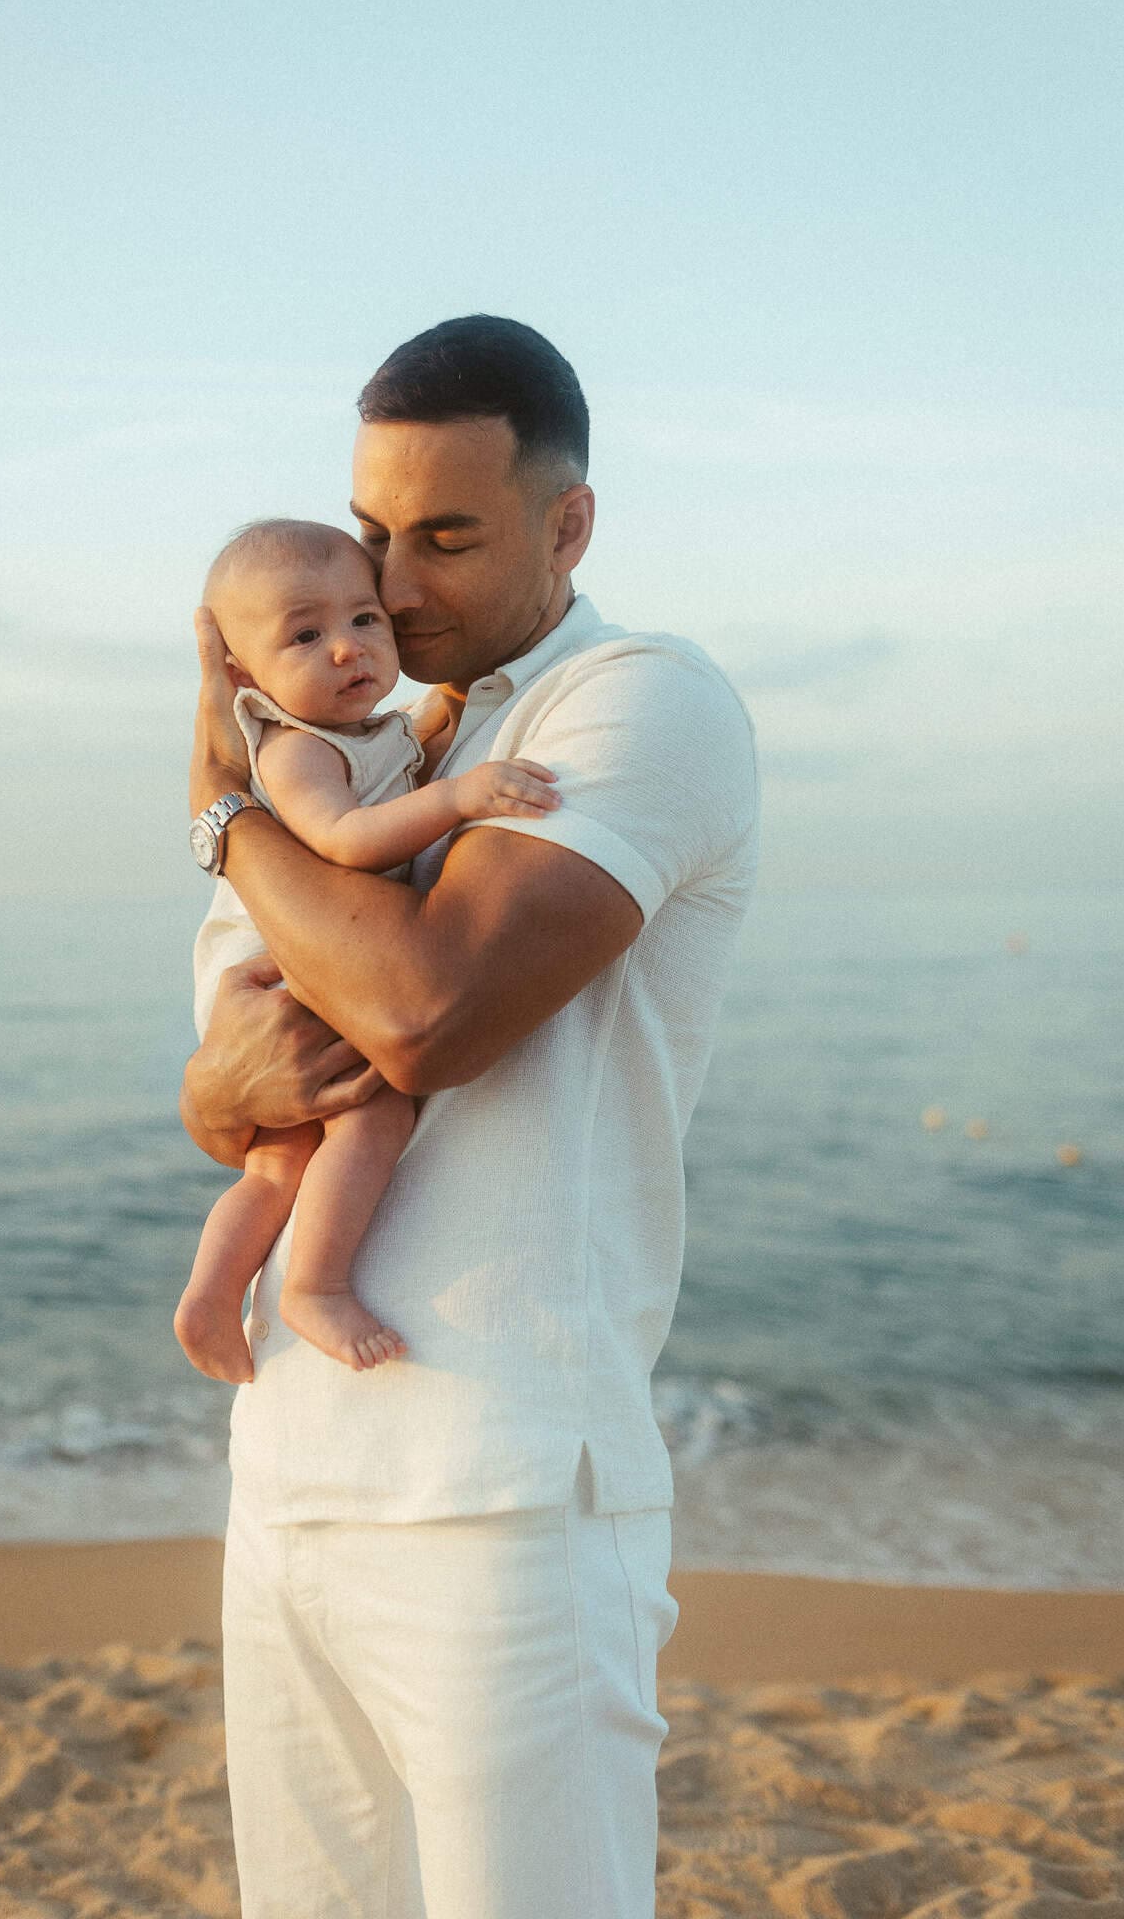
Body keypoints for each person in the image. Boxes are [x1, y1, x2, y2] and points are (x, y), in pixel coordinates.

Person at [182, 315, 759, 1918]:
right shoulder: (376, 745)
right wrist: (219, 1088)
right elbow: (239, 1090)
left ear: (569, 525)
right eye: (371, 531)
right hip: (290, 1466)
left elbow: (422, 1015)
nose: (393, 583)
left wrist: (217, 810)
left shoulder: (635, 700)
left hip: (501, 1493)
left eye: (445, 536)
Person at [174, 516, 561, 1382]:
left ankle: (210, 1296)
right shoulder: (297, 750)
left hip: (283, 961)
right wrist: (458, 798)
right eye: (305, 636)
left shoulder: (373, 731)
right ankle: (314, 1287)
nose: (347, 648)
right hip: (279, 967)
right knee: (373, 1115)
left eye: (363, 619)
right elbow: (346, 841)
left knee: (277, 1164)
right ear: (242, 674)